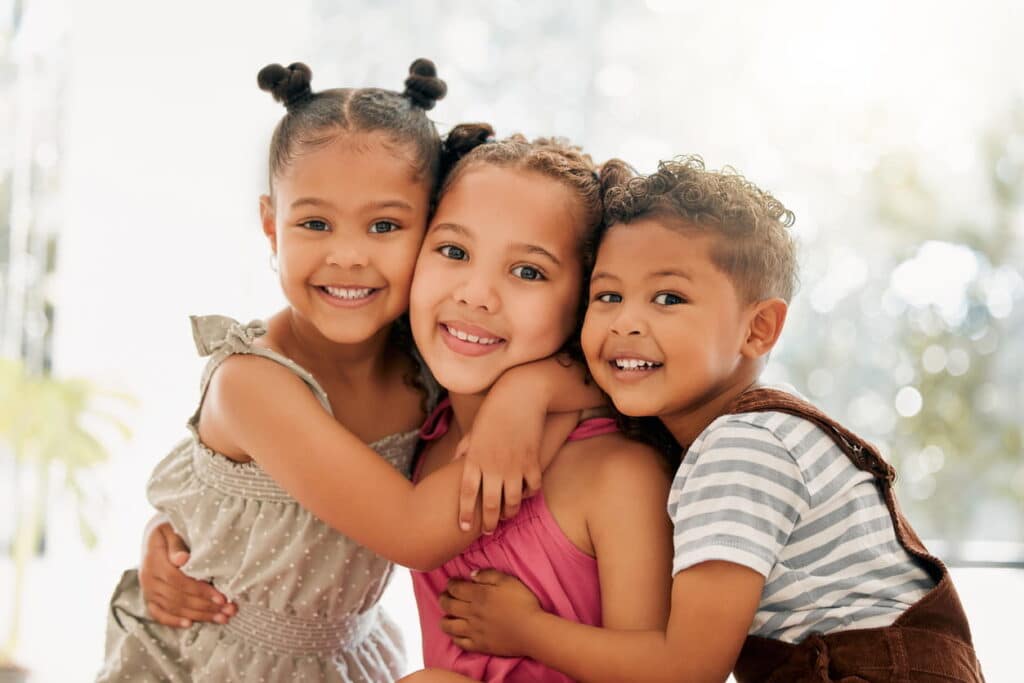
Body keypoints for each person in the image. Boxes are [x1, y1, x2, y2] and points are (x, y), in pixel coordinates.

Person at [97, 60, 584, 683]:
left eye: (385, 226)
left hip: (345, 656)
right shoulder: (253, 383)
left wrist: (529, 389)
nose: (348, 256)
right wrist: (160, 534)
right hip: (214, 658)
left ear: (432, 227)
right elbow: (411, 533)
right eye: (314, 224)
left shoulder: (426, 356)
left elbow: (601, 369)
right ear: (272, 225)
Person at [438, 156, 986, 682]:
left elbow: (687, 670)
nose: (626, 321)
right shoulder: (752, 422)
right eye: (608, 295)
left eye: (668, 298)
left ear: (758, 329)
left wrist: (527, 630)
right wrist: (524, 391)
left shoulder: (739, 450)